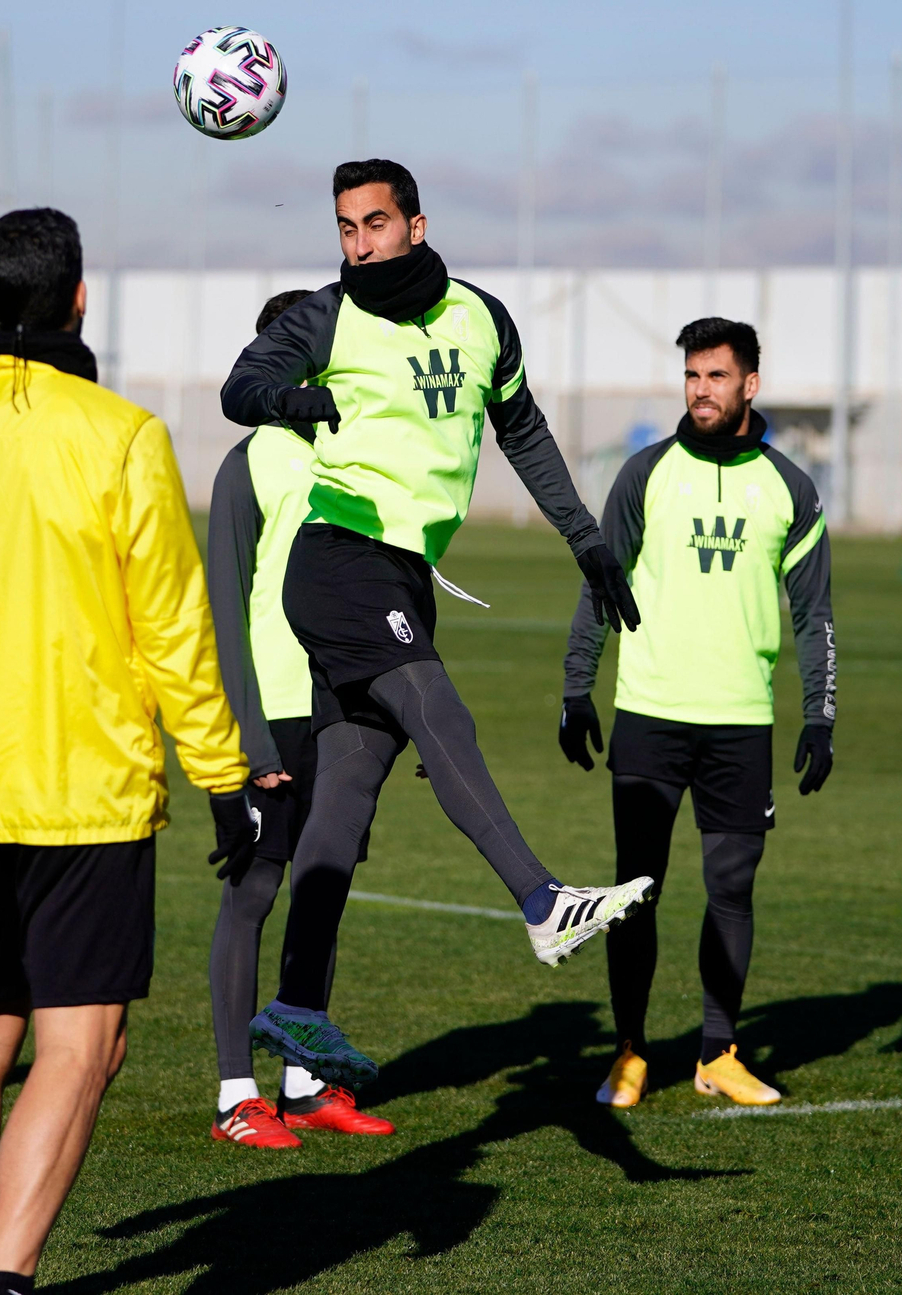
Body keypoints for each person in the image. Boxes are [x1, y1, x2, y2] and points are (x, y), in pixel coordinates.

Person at [0, 208, 254, 1295]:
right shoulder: (123, 435)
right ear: (78, 298)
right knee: (80, 1046)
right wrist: (223, 776)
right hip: (89, 789)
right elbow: (173, 625)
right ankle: (3, 1282)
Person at [220, 158, 653, 1090]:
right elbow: (241, 385)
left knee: (347, 792)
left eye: (375, 223)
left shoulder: (483, 318)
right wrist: (290, 396)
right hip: (340, 557)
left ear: (415, 226)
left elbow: (522, 430)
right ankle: (542, 899)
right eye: (346, 228)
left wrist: (584, 538)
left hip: (405, 572)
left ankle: (296, 1004)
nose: (360, 244)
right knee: (436, 706)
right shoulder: (327, 317)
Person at [561, 318, 835, 1109]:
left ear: (751, 384)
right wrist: (577, 688)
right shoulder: (645, 474)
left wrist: (820, 715)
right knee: (636, 889)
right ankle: (629, 1051)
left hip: (740, 719)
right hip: (649, 712)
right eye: (692, 375)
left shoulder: (790, 487)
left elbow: (813, 613)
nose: (701, 390)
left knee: (732, 885)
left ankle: (718, 1052)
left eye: (716, 376)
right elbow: (600, 585)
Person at [205, 288, 394, 1149]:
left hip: (348, 712)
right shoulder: (247, 462)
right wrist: (246, 736)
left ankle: (305, 1081)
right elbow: (223, 606)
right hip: (274, 716)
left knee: (324, 887)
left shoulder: (360, 458)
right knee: (255, 890)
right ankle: (236, 1093)